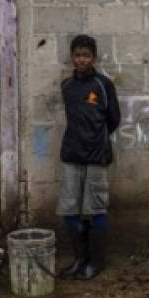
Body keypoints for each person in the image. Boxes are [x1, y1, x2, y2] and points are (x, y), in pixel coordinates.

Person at [56, 34, 120, 280]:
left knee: (96, 210)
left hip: (97, 157)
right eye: (77, 55)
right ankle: (80, 259)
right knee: (69, 211)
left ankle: (96, 262)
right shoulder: (67, 87)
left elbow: (114, 119)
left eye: (86, 55)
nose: (81, 60)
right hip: (72, 155)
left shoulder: (104, 85)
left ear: (93, 58)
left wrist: (95, 139)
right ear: (71, 58)